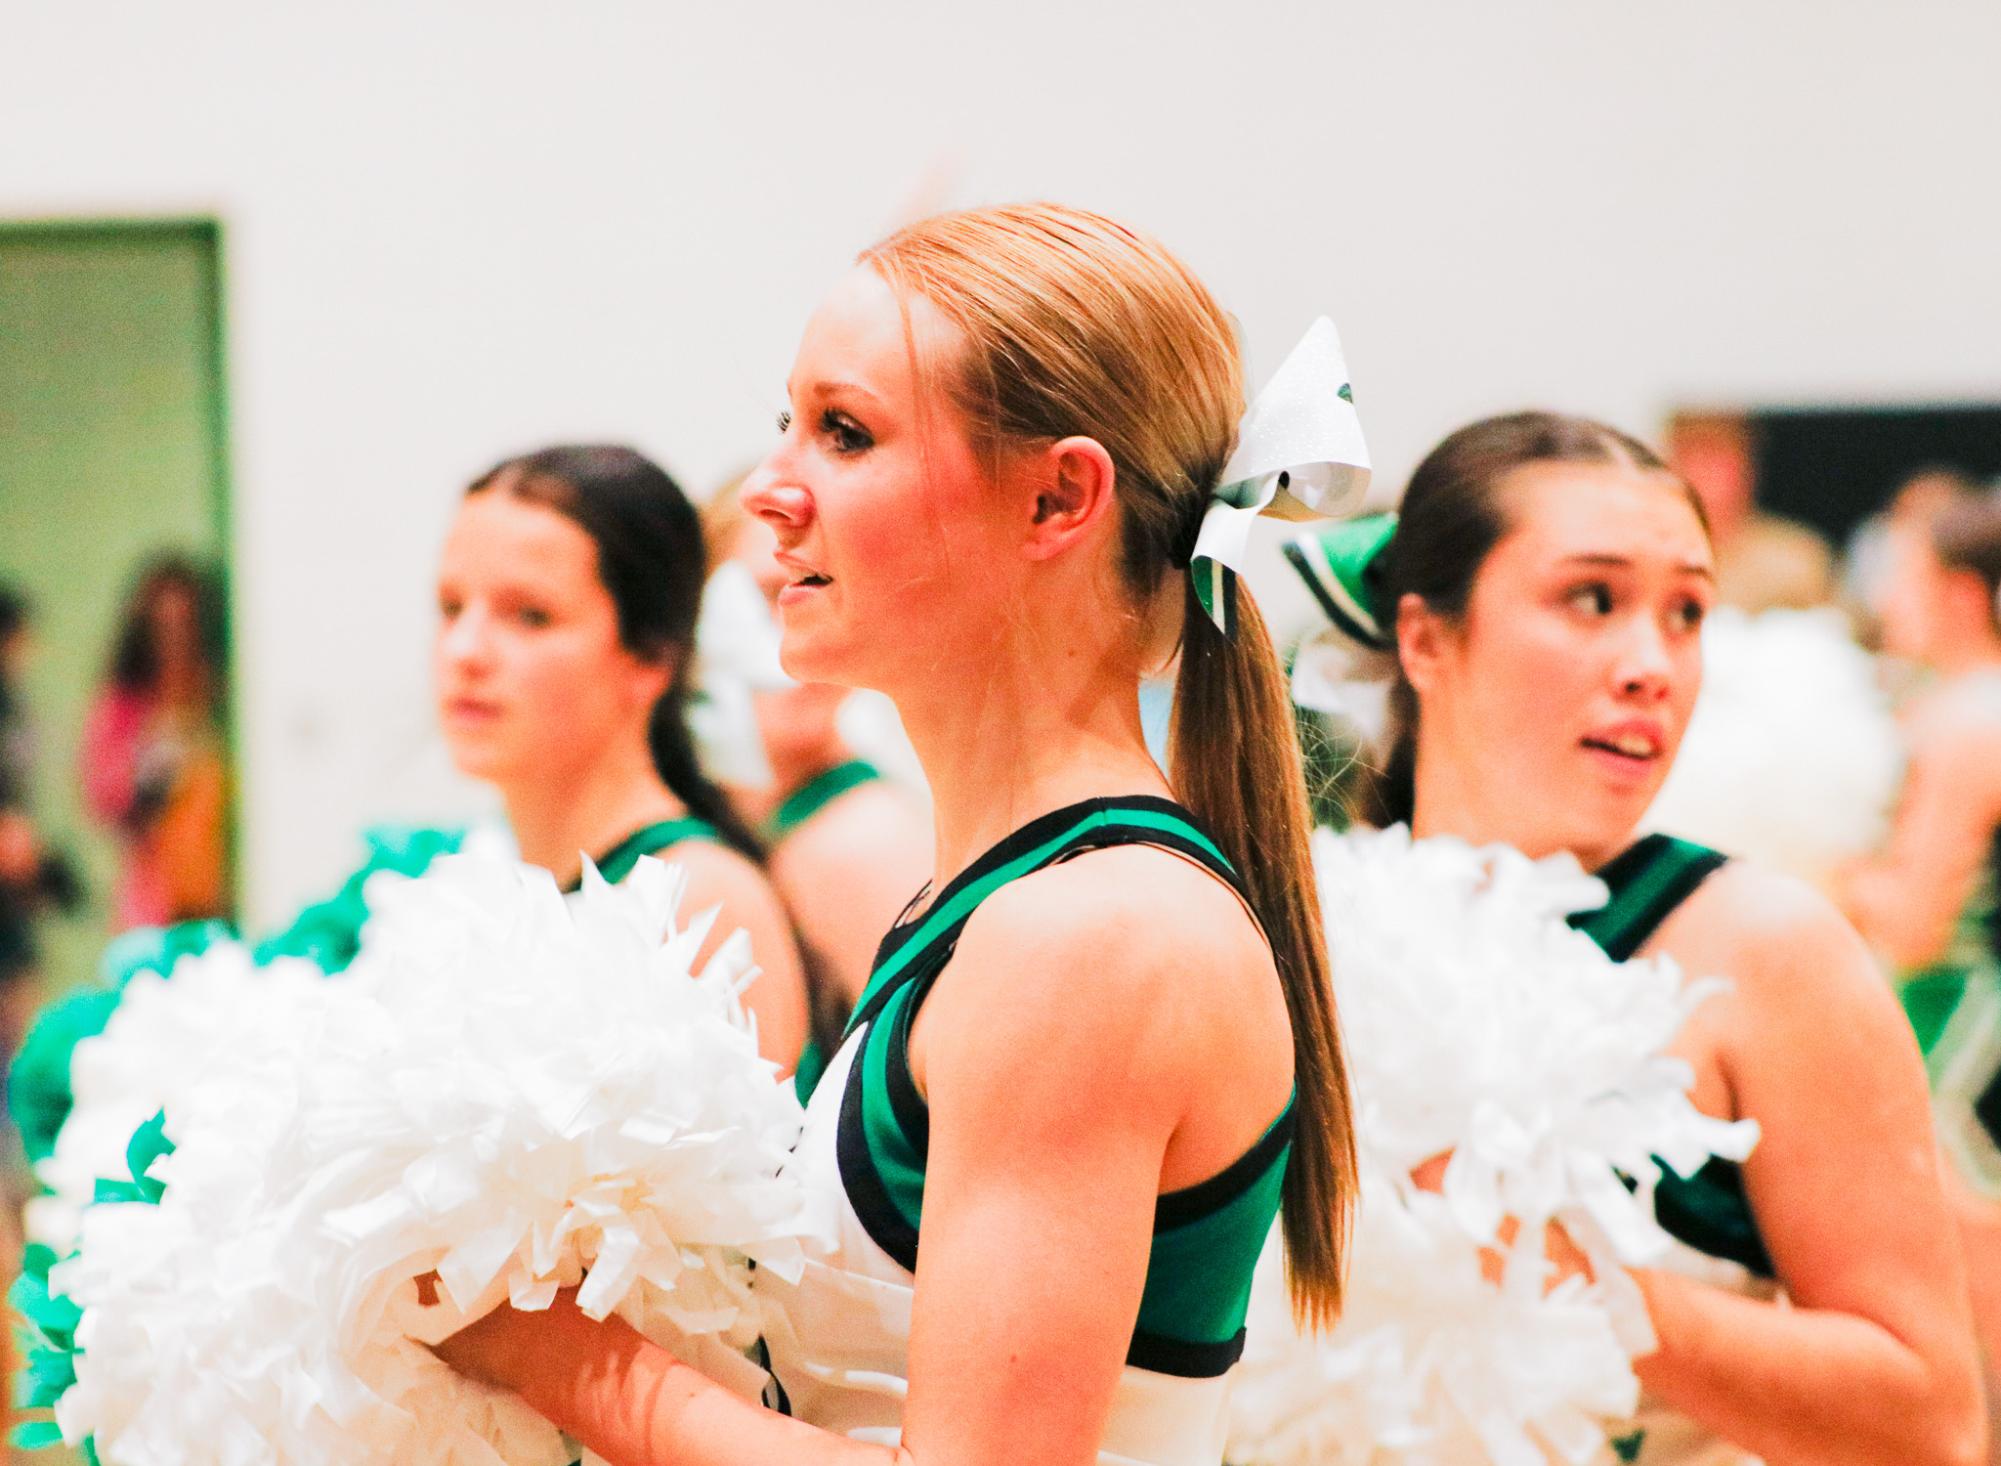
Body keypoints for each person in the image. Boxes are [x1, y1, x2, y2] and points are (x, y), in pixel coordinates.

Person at [437, 203, 1360, 1466]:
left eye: (846, 432)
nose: (769, 492)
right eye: (788, 424)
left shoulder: (1093, 934)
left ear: (1057, 497)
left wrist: (567, 1357)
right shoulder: (1007, 901)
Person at [1348, 411, 1984, 1463]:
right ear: (1423, 636)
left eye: (1687, 611)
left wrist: (1559, 1270)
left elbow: (1932, 1423)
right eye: (1591, 599)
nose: (1652, 662)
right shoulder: (1313, 924)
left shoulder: (1765, 946)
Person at [435, 445, 809, 1068]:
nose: (464, 650)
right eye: (451, 607)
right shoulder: (484, 873)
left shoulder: (701, 902)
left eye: (530, 616)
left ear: (652, 657)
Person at [1838, 490, 2001, 1384]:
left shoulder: (1967, 721)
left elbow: (1915, 919)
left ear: (1960, 597)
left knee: (1978, 1306)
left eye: (1902, 577)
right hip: (1965, 1016)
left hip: (1963, 1031)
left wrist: (1820, 879)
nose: (1885, 599)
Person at [702, 479, 932, 1029]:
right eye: (766, 596)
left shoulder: (860, 842)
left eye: (827, 589)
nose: (802, 636)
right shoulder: (731, 820)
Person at [79, 556, 230, 927]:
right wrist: (153, 761)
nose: (174, 637)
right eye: (162, 622)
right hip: (155, 899)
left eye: (185, 622)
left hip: (223, 893)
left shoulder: (223, 698)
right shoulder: (124, 706)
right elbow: (105, 797)